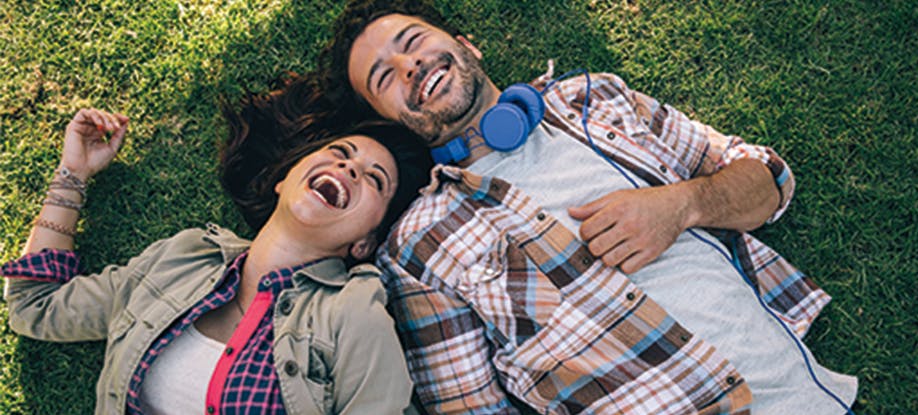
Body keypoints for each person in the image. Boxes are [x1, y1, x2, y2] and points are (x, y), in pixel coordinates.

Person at [304, 1, 858, 414]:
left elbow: (770, 180)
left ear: (466, 43)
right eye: (384, 77)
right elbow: (470, 409)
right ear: (390, 121)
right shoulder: (417, 246)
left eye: (413, 40)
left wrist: (683, 204)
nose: (409, 67)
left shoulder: (597, 100)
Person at [1, 104, 433, 414]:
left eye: (375, 179)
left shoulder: (354, 313)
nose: (350, 168)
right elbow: (35, 305)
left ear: (363, 243)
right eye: (340, 153)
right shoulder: (182, 258)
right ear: (284, 181)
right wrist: (72, 174)